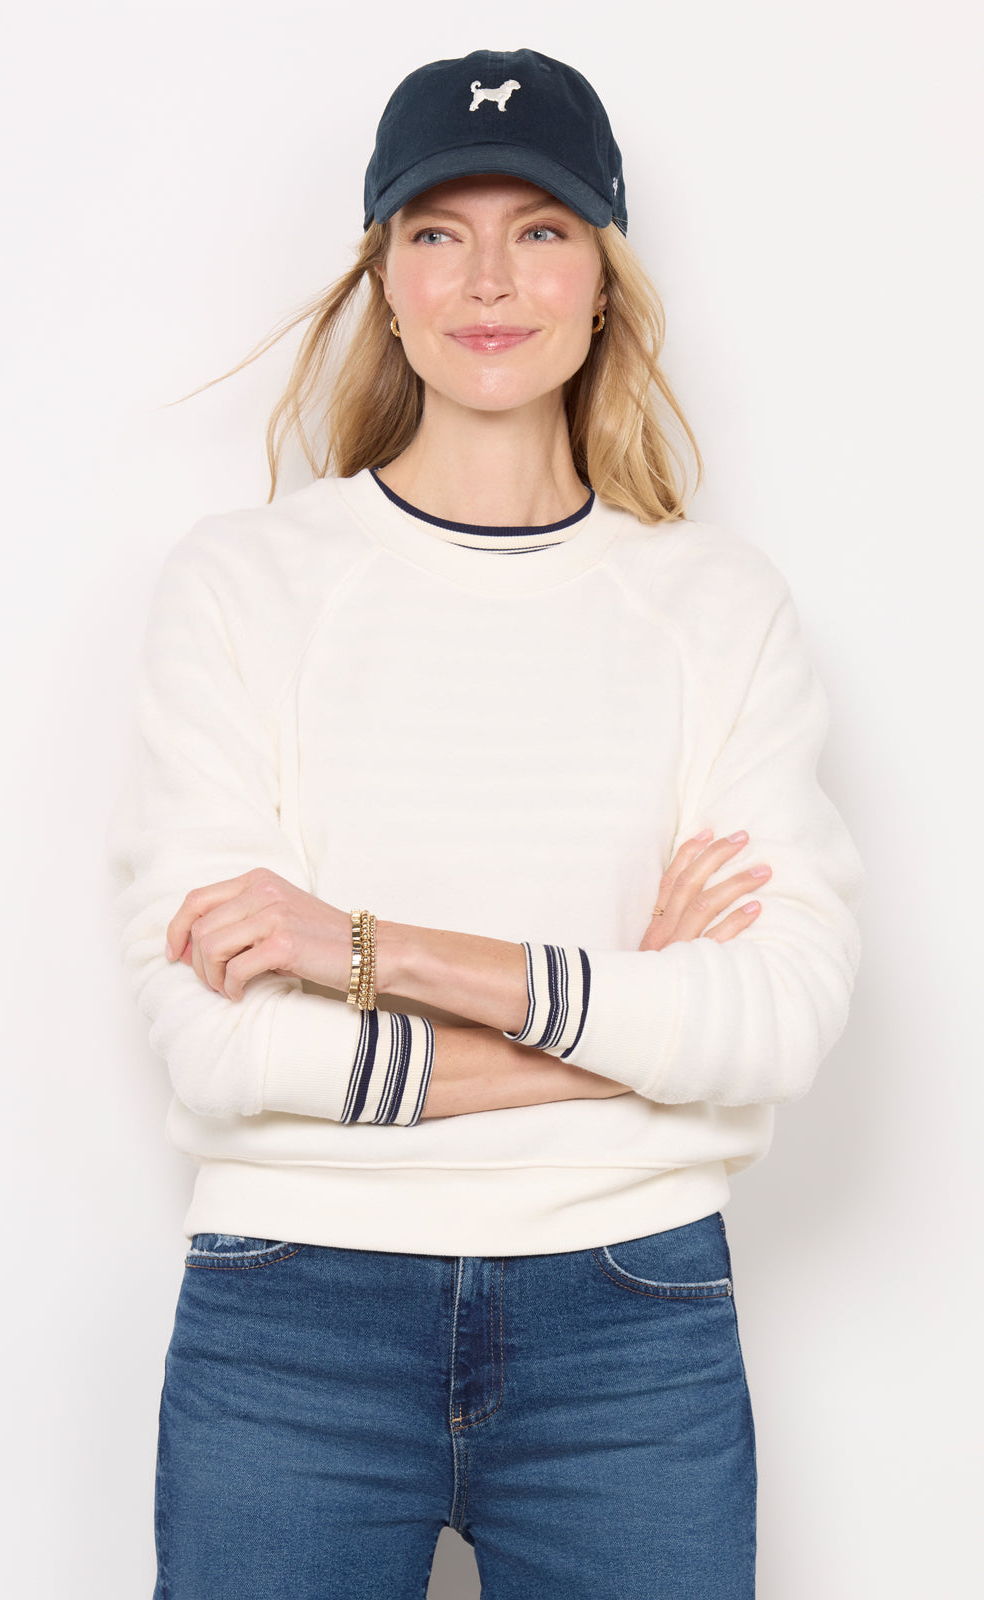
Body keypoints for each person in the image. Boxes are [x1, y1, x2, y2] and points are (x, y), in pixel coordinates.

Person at [107, 47, 864, 1600]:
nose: (489, 280)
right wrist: (628, 1033)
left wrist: (360, 948)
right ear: (384, 281)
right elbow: (219, 1048)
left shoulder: (715, 608)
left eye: (543, 229)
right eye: (439, 232)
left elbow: (777, 1019)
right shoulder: (243, 586)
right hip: (291, 1315)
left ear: (604, 281)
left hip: (633, 1321)